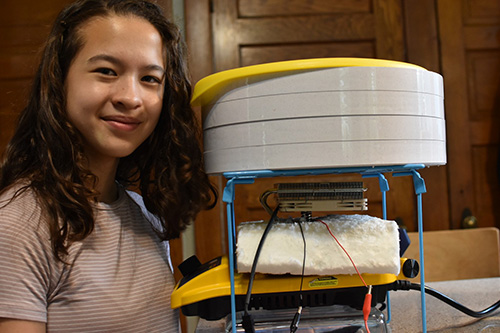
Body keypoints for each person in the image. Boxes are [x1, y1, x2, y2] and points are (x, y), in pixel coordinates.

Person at [0, 0, 215, 331]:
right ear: (59, 81)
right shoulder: (18, 223)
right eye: (106, 71)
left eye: (149, 78)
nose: (131, 97)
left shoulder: (143, 213)